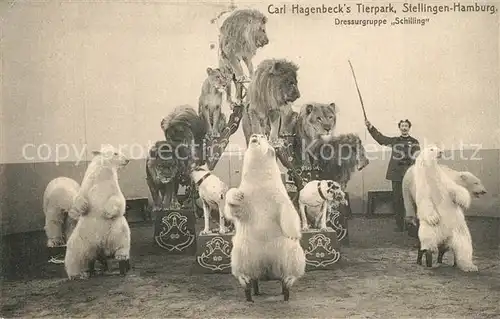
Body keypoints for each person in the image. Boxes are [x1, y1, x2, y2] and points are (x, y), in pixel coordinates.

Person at [365, 119, 420, 232]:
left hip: (410, 175)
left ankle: (411, 224)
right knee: (397, 200)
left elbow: (418, 157)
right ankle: (400, 225)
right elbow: (381, 139)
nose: (404, 128)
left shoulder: (414, 141)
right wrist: (371, 128)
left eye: (406, 126)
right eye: (402, 126)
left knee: (411, 200)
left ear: (409, 128)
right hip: (396, 175)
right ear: (399, 128)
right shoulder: (395, 141)